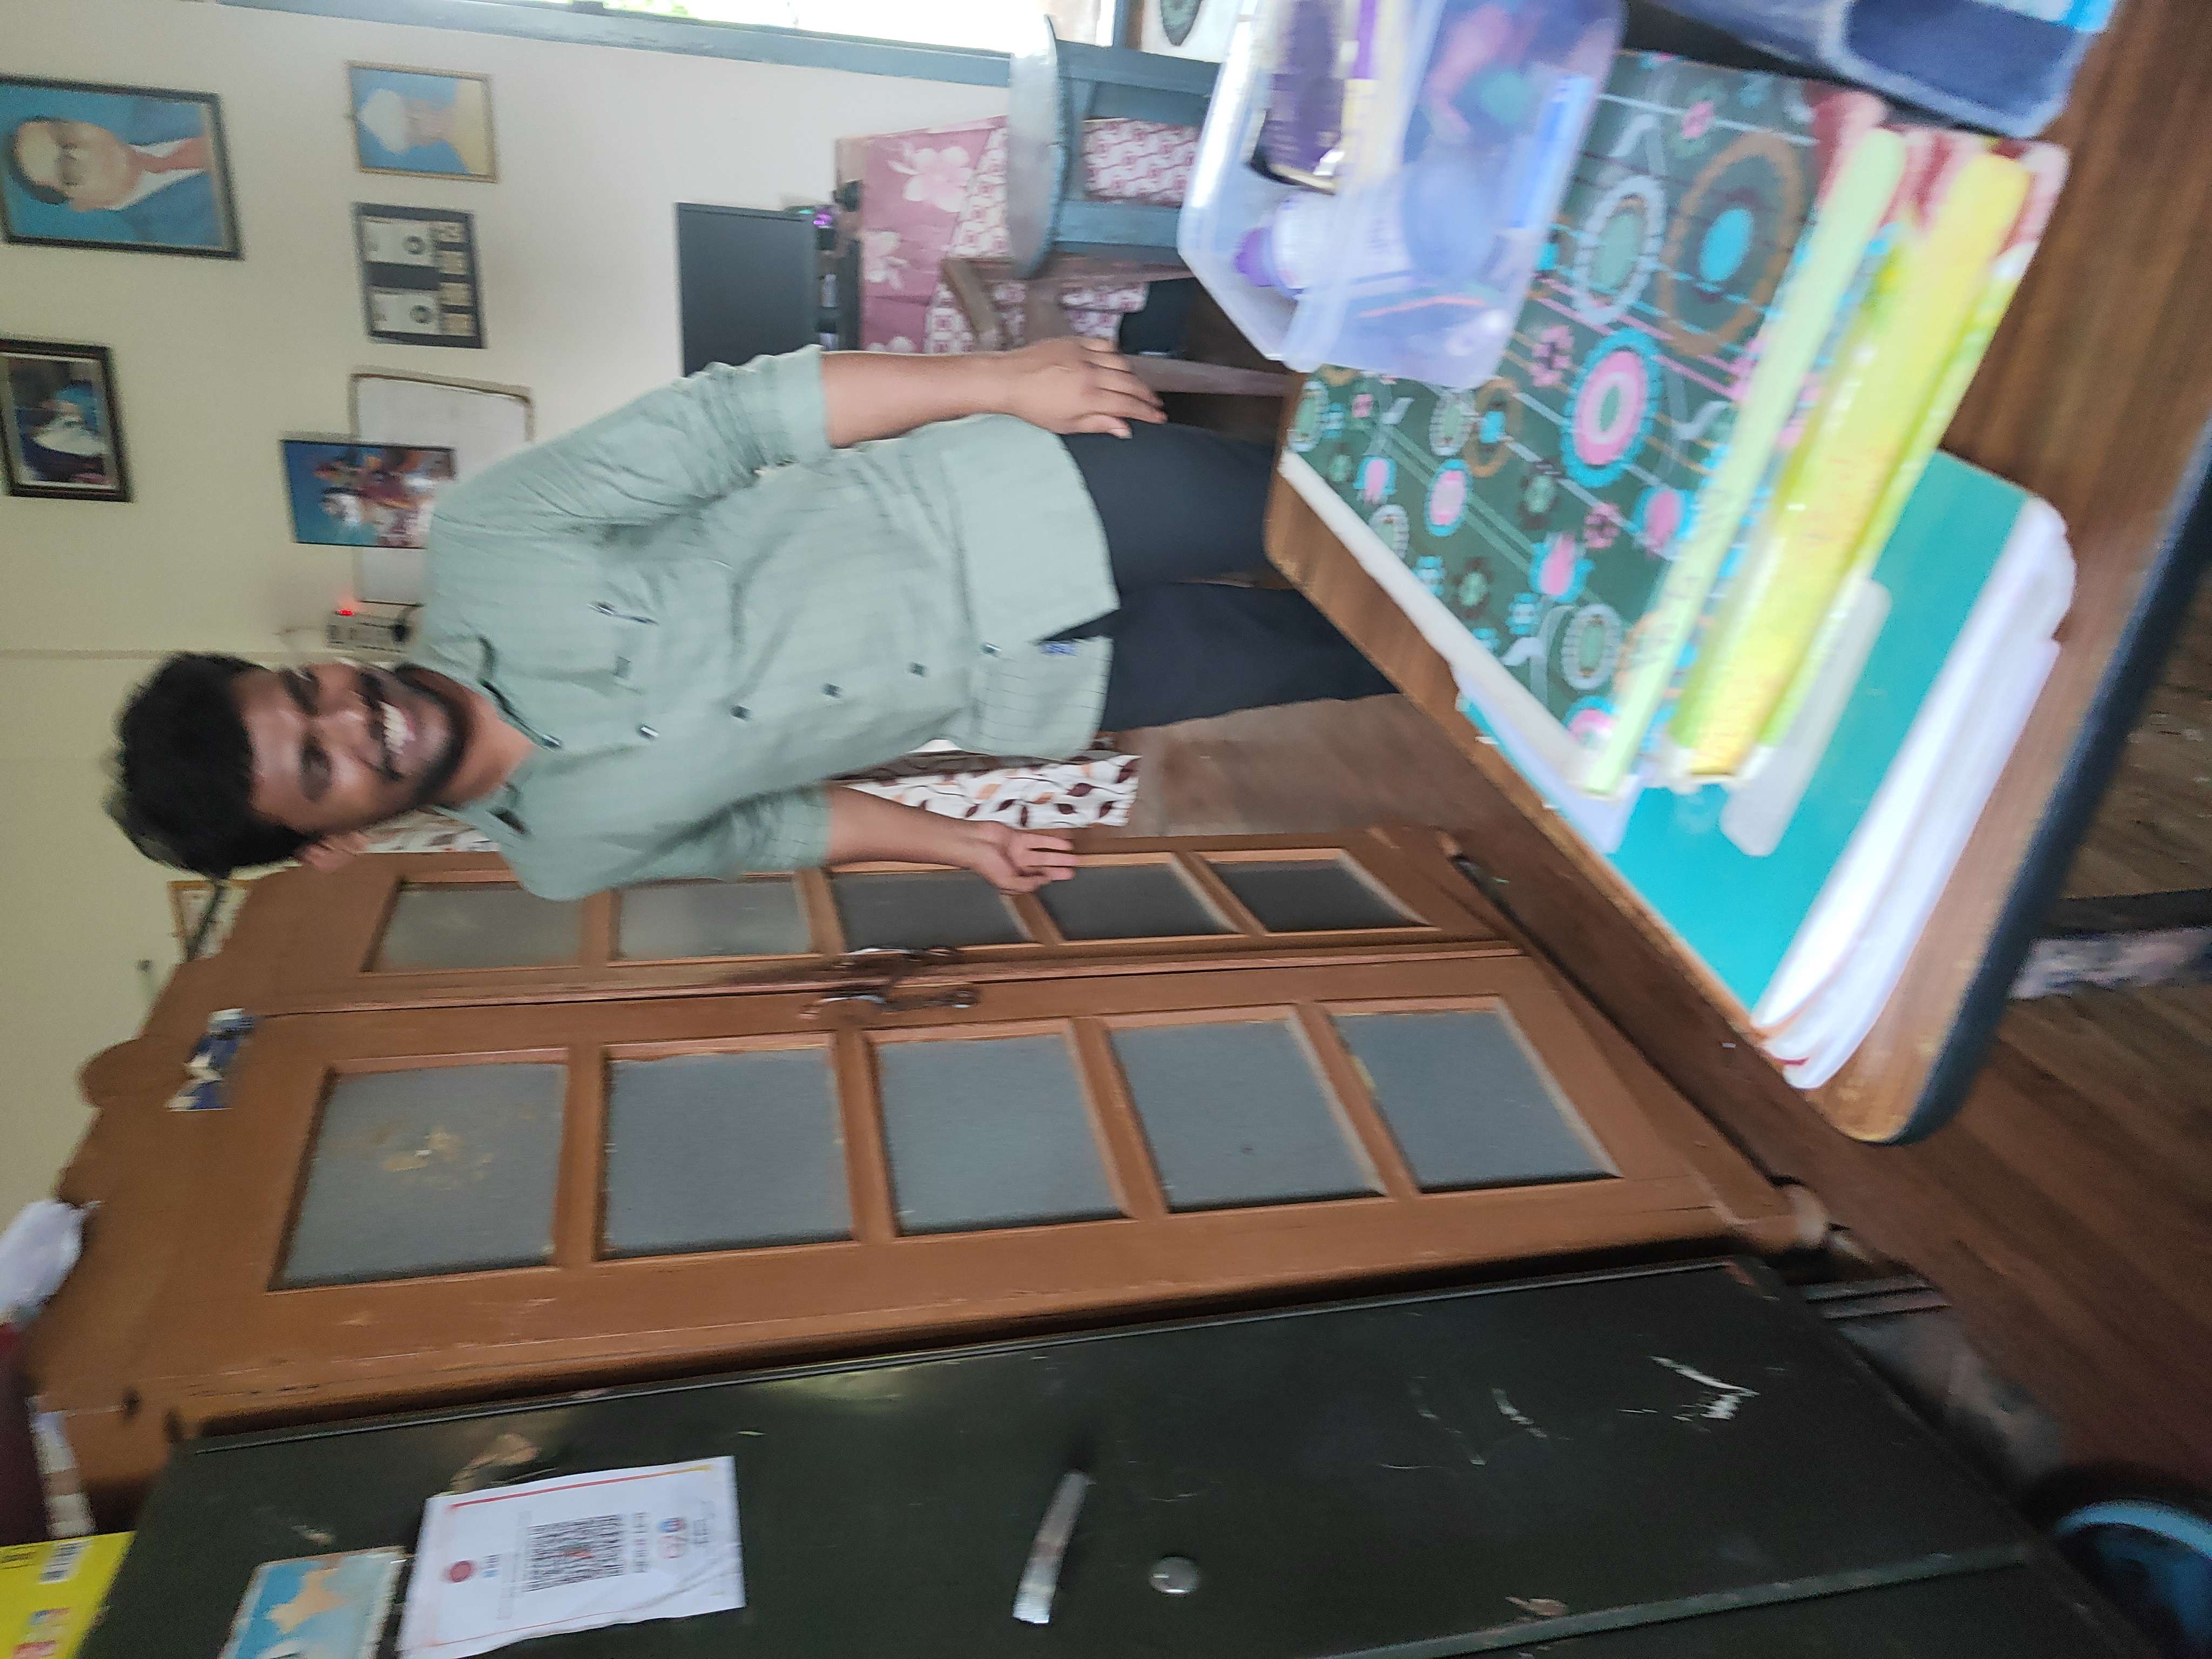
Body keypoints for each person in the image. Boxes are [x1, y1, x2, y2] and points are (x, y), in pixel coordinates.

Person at [108, 339, 1392, 898]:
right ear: (330, 841)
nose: (351, 716)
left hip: (1020, 505)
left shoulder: (491, 542)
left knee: (1350, 515)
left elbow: (734, 419)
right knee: (1344, 659)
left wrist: (998, 380)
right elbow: (781, 823)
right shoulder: (566, 856)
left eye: (308, 693)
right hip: (1034, 687)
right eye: (318, 765)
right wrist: (960, 847)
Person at [5, 104, 225, 249]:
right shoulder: (178, 240)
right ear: (82, 204)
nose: (85, 153)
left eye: (67, 136)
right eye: (68, 170)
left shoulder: (162, 105)